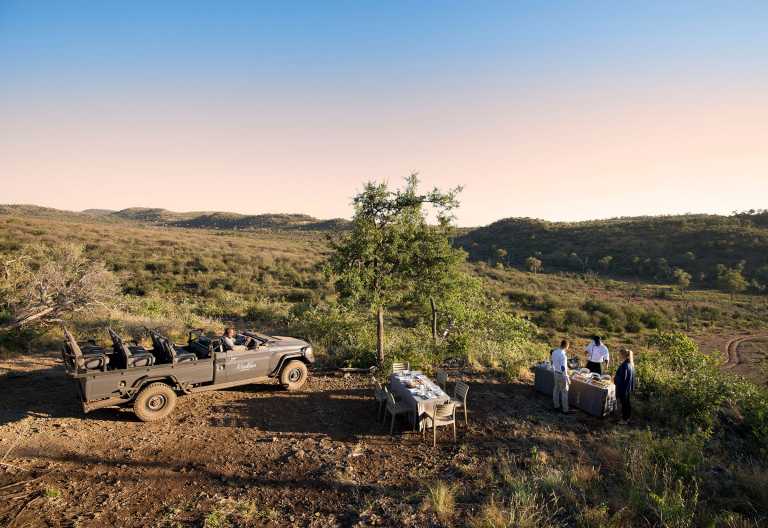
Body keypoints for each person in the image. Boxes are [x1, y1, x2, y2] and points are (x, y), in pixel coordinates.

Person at [614, 348, 635, 424]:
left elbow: (622, 377)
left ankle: (624, 420)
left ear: (623, 355)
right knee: (627, 403)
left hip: (623, 387)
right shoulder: (631, 364)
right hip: (628, 387)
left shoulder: (624, 365)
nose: (619, 356)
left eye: (620, 354)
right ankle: (627, 417)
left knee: (624, 404)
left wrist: (615, 379)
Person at [551, 339, 572, 414]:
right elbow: (563, 368)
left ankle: (556, 406)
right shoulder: (563, 355)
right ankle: (565, 410)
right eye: (568, 346)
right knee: (564, 392)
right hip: (562, 375)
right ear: (566, 346)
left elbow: (552, 362)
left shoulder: (554, 352)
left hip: (556, 373)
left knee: (556, 389)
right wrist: (567, 378)